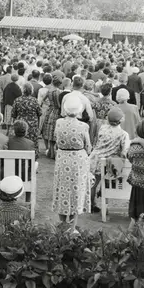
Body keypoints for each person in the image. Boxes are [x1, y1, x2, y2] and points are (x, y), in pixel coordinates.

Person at [51, 93, 92, 232]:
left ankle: (63, 225)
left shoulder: (59, 122)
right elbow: (88, 147)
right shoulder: (83, 126)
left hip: (63, 158)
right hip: (78, 159)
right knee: (76, 191)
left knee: (62, 189)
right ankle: (72, 227)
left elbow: (56, 139)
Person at [88, 107, 130, 213]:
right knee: (107, 183)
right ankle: (104, 205)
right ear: (121, 120)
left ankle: (91, 205)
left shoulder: (102, 128)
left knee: (93, 184)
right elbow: (125, 152)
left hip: (95, 158)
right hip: (108, 162)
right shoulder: (123, 134)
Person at [10, 83, 41, 150]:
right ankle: (34, 153)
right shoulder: (35, 100)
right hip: (33, 124)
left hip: (21, 123)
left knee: (20, 140)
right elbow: (39, 113)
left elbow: (13, 114)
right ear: (31, 90)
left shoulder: (17, 100)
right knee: (33, 141)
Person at [40, 79, 63, 158]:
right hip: (56, 112)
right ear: (59, 84)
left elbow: (43, 100)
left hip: (49, 110)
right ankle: (53, 153)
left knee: (47, 131)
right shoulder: (57, 91)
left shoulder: (49, 91)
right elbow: (58, 104)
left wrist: (49, 104)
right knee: (53, 132)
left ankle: (50, 151)